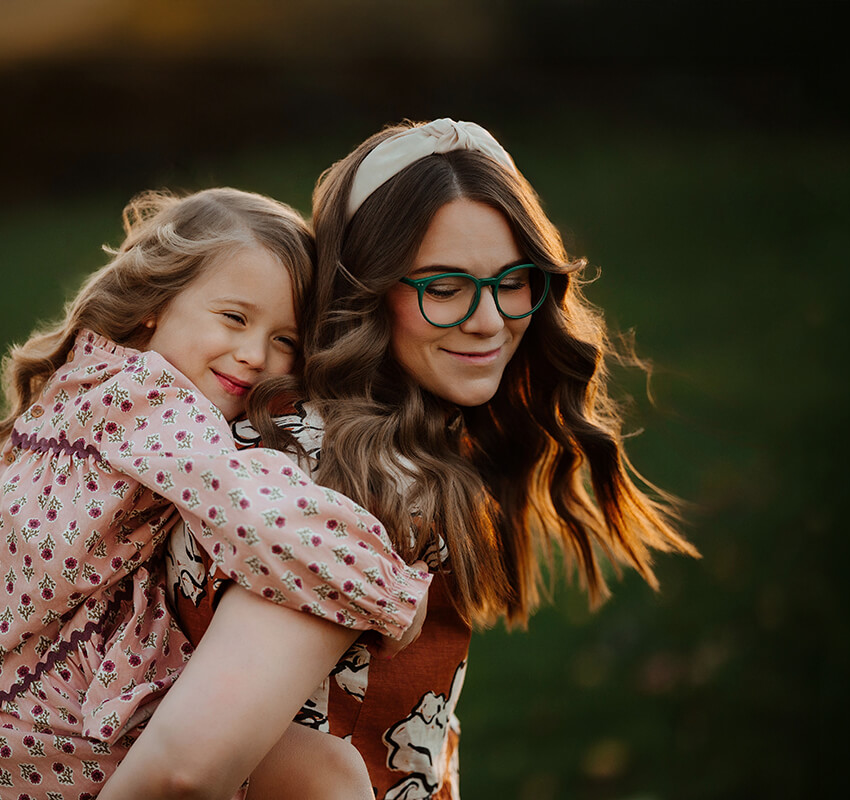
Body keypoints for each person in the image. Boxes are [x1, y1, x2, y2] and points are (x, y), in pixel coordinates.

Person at [168, 119, 699, 799]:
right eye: (443, 287)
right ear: (367, 290)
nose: (487, 320)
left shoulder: (309, 432)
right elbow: (185, 772)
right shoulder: (357, 485)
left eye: (513, 280)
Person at [0, 187, 432, 800]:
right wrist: (386, 586)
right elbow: (254, 509)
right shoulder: (145, 397)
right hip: (52, 716)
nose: (254, 356)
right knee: (327, 777)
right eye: (234, 317)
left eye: (286, 340)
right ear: (155, 305)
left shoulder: (82, 385)